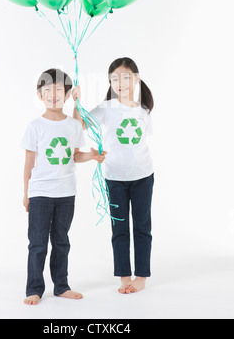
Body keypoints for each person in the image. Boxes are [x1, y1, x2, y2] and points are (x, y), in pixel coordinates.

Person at [21, 68, 106, 305]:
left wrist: (92, 156)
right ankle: (34, 288)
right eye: (47, 90)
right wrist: (26, 193)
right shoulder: (34, 126)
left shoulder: (73, 125)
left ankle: (61, 286)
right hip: (40, 193)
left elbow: (75, 156)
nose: (53, 94)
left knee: (61, 241)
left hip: (66, 193)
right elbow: (28, 162)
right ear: (40, 95)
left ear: (67, 94)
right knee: (38, 243)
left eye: (59, 90)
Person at [72, 57, 154, 294]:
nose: (121, 83)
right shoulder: (107, 108)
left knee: (142, 227)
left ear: (136, 79)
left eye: (126, 77)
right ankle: (124, 276)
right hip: (115, 178)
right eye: (115, 79)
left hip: (143, 177)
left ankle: (141, 277)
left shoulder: (144, 110)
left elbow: (141, 144)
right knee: (119, 229)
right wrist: (77, 102)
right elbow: (80, 125)